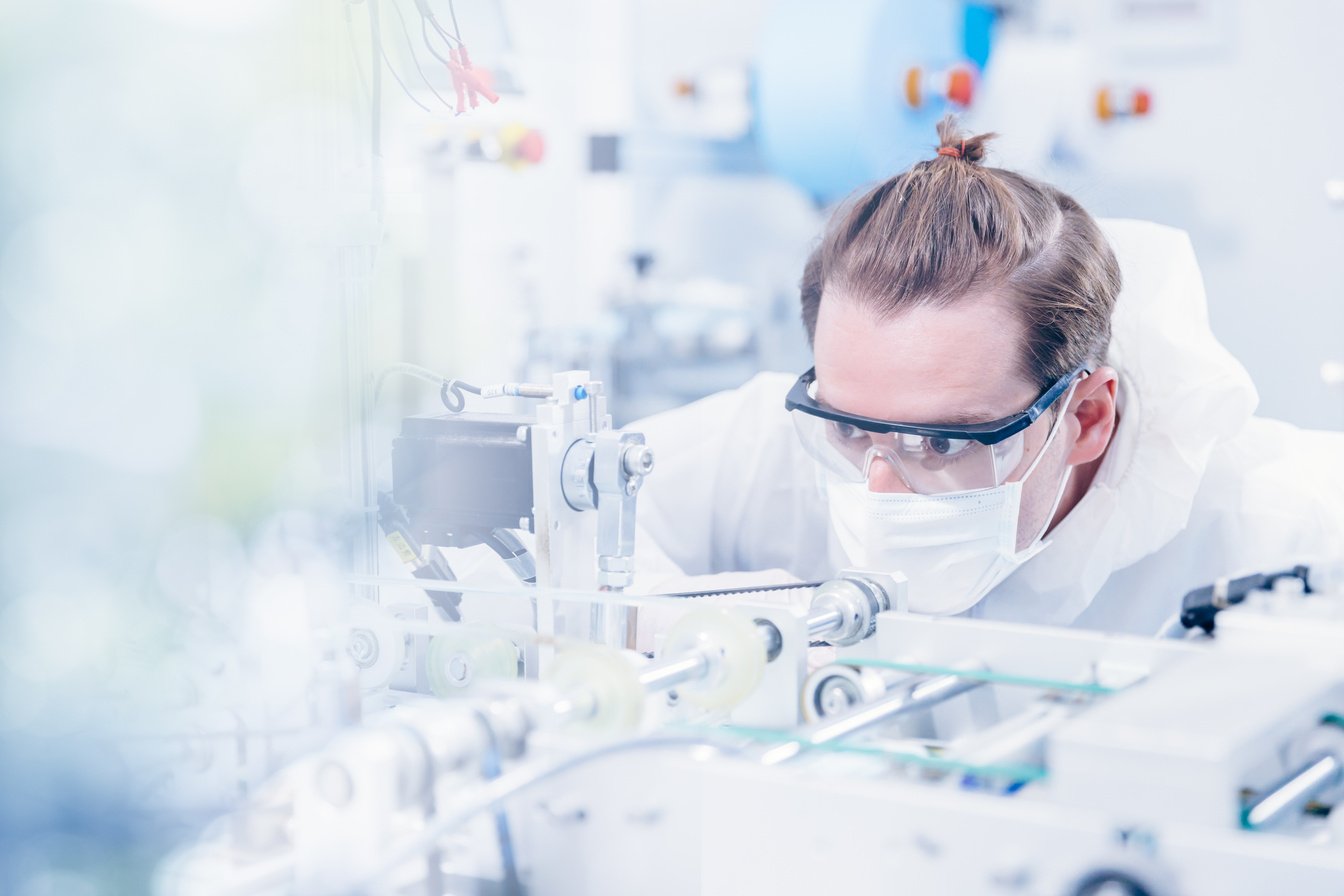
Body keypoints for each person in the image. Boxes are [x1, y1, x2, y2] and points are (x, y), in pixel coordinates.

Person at [630, 117, 1344, 636]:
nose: (878, 493)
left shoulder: (1283, 530)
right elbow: (556, 528)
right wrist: (750, 631)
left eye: (942, 444)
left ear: (1086, 417)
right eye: (853, 430)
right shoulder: (804, 433)